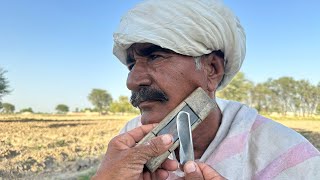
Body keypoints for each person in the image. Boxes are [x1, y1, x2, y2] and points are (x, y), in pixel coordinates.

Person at [93, 0, 320, 179]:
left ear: (212, 70)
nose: (132, 81)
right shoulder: (128, 140)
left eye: (155, 56)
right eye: (131, 64)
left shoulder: (284, 154)